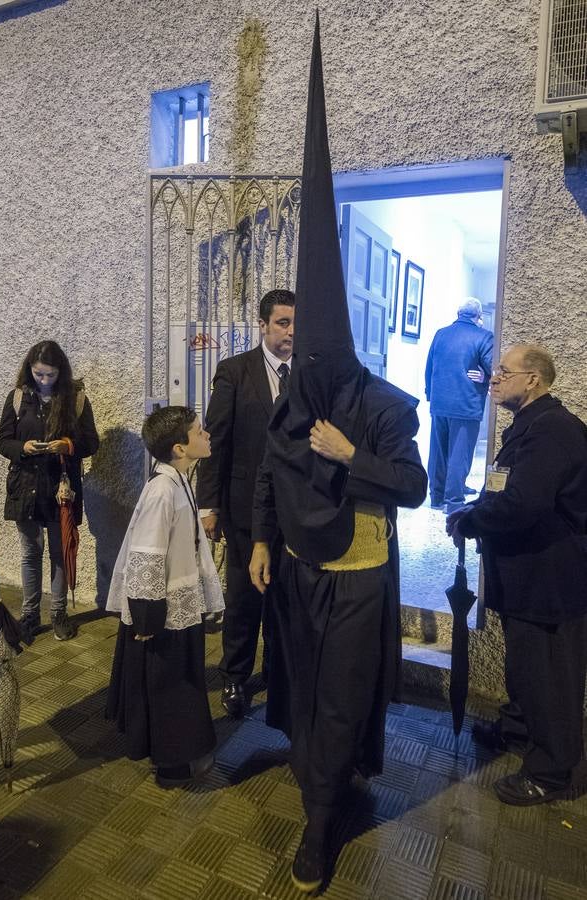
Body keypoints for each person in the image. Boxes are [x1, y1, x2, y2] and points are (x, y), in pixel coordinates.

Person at [249, 17, 427, 893]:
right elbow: (265, 475)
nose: (304, 366)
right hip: (294, 572)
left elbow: (415, 486)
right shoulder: (291, 400)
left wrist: (350, 454)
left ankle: (319, 829)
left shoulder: (386, 407)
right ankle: (328, 781)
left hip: (358, 576)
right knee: (304, 688)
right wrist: (256, 539)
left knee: (339, 695)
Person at [447, 343, 587, 806]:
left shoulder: (554, 433)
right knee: (526, 667)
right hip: (526, 575)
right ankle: (519, 729)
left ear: (533, 380)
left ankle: (552, 772)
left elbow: (525, 502)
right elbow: (506, 487)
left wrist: (472, 520)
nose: (493, 378)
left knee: (549, 675)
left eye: (503, 372)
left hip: (550, 580)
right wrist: (476, 508)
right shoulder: (530, 427)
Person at [106, 406, 224, 788]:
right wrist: (146, 616)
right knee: (168, 685)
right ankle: (172, 763)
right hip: (161, 611)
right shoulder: (161, 491)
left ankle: (179, 754)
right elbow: (147, 553)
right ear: (179, 447)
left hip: (178, 602)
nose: (206, 436)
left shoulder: (178, 480)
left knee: (180, 679)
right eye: (199, 432)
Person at [196, 288, 295, 718]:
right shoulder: (235, 371)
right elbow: (215, 441)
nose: (291, 331)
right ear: (263, 325)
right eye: (282, 323)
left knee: (284, 599)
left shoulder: (307, 377)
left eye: (295, 323)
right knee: (243, 599)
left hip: (292, 513)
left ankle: (278, 674)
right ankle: (235, 677)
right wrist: (209, 504)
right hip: (241, 508)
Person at [0, 340, 99, 641]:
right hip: (25, 485)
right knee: (30, 553)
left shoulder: (76, 399)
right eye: (39, 374)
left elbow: (91, 443)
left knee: (59, 552)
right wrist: (23, 448)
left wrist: (68, 445)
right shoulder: (17, 397)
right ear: (30, 369)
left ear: (60, 372)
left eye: (50, 375)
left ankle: (58, 614)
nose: (44, 380)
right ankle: (29, 615)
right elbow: (3, 442)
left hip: (60, 487)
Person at [425, 297, 493, 512]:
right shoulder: (484, 336)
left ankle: (436, 497)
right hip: (466, 403)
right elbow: (493, 368)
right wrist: (484, 377)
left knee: (438, 451)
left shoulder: (440, 334)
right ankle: (453, 501)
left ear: (458, 313)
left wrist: (430, 393)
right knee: (459, 453)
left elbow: (429, 366)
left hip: (439, 401)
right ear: (478, 317)